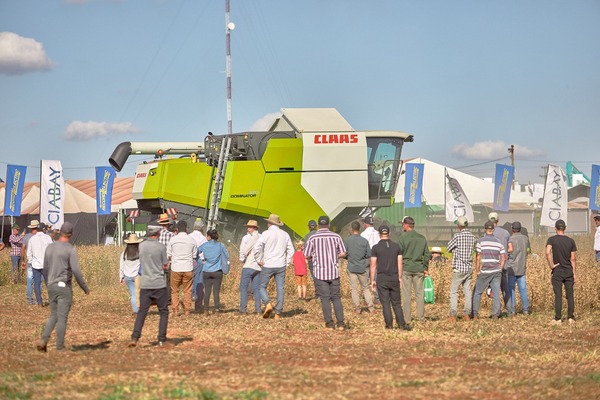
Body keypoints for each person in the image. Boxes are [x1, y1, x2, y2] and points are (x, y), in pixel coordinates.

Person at [36, 222, 90, 352]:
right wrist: (84, 287)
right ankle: (60, 347)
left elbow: (45, 268)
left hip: (51, 285)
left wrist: (49, 282)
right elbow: (76, 271)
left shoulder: (50, 247)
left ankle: (44, 340)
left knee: (53, 314)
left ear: (60, 232)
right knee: (62, 317)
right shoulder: (70, 249)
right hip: (64, 287)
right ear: (71, 234)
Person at [304, 216, 347, 330]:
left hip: (320, 273)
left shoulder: (312, 238)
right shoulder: (336, 236)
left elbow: (307, 255)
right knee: (336, 298)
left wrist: (314, 256)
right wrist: (335, 256)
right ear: (328, 225)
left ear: (318, 226)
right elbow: (343, 253)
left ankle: (329, 324)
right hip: (334, 272)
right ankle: (341, 323)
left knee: (325, 299)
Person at [129, 226, 170, 347]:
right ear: (158, 233)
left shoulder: (141, 246)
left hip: (146, 284)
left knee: (142, 312)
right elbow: (165, 265)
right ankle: (161, 339)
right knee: (163, 312)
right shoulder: (161, 247)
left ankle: (135, 337)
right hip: (159, 284)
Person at [370, 225, 411, 330]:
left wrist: (372, 280)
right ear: (389, 234)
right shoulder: (397, 247)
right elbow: (400, 263)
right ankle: (401, 324)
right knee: (397, 303)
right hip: (394, 277)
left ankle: (389, 325)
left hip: (382, 278)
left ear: (379, 234)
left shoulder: (375, 248)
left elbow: (373, 265)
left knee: (386, 303)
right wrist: (400, 277)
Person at [254, 214, 294, 319]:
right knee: (280, 288)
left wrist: (259, 260)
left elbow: (257, 247)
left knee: (261, 286)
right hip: (281, 265)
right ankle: (278, 313)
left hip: (268, 264)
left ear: (269, 223)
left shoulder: (266, 234)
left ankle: (267, 303)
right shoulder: (285, 234)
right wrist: (288, 262)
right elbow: (291, 249)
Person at [398, 216, 430, 323]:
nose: (402, 226)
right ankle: (421, 318)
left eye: (403, 224)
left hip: (406, 268)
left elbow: (399, 254)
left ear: (406, 225)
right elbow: (426, 254)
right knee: (419, 294)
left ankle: (407, 319)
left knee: (406, 295)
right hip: (419, 269)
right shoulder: (422, 238)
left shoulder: (403, 238)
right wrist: (425, 268)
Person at [472, 221, 506, 319]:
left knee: (478, 292)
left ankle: (475, 314)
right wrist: (500, 268)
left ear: (484, 229)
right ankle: (496, 314)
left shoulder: (481, 241)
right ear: (493, 230)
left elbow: (478, 257)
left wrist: (477, 270)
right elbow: (503, 257)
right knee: (496, 293)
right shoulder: (498, 242)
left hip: (485, 271)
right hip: (496, 271)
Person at [446, 216, 477, 322]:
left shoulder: (457, 236)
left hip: (459, 268)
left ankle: (453, 315)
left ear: (459, 226)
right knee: (467, 291)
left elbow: (448, 248)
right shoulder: (473, 237)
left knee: (454, 291)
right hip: (469, 268)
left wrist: (455, 249)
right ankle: (467, 314)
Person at [546, 219, 577, 324]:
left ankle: (558, 318)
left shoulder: (551, 240)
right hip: (568, 270)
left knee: (558, 295)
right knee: (570, 294)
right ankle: (571, 317)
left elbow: (547, 252)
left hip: (557, 270)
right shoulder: (571, 241)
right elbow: (573, 259)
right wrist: (574, 273)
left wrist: (551, 265)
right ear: (565, 229)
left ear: (555, 228)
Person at [167, 220, 197, 316]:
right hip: (188, 267)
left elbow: (169, 255)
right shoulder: (192, 240)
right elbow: (194, 255)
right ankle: (187, 310)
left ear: (177, 229)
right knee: (187, 290)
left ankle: (175, 310)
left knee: (174, 290)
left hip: (176, 267)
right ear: (186, 229)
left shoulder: (173, 240)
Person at [344, 221, 374, 314]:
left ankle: (357, 308)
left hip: (351, 267)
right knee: (365, 288)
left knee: (354, 289)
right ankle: (371, 308)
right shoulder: (364, 241)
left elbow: (344, 252)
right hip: (361, 268)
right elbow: (369, 254)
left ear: (351, 229)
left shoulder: (348, 240)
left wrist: (348, 257)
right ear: (360, 229)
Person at [199, 229, 229, 314]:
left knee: (207, 291)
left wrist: (202, 261)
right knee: (216, 291)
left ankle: (206, 309)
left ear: (209, 236)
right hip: (217, 271)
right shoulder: (220, 245)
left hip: (206, 270)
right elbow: (227, 255)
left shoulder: (204, 245)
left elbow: (196, 252)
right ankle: (216, 309)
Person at [506, 221, 530, 316]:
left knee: (511, 289)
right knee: (523, 289)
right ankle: (525, 309)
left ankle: (512, 310)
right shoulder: (525, 238)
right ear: (520, 229)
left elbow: (509, 252)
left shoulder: (510, 239)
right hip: (522, 267)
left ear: (512, 229)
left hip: (512, 267)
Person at [27, 220, 53, 307]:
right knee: (49, 283)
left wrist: (31, 262)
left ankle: (39, 302)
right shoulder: (47, 238)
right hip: (46, 264)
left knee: (37, 284)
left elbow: (29, 253)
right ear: (43, 229)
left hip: (35, 265)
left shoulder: (32, 239)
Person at [488, 212, 511, 312]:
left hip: (493, 265)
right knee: (505, 289)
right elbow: (510, 248)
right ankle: (510, 310)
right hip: (504, 264)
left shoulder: (488, 233)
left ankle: (497, 311)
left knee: (495, 289)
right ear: (498, 220)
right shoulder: (506, 233)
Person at [239, 220, 262, 315]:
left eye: (250, 227)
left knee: (243, 287)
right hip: (259, 266)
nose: (248, 228)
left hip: (249, 264)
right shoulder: (262, 237)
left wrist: (242, 259)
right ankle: (258, 309)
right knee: (256, 288)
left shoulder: (250, 238)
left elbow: (243, 251)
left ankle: (243, 309)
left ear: (254, 228)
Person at [120, 233, 143, 314]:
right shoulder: (140, 252)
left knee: (133, 293)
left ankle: (136, 310)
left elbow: (121, 266)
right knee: (138, 293)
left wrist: (121, 277)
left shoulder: (124, 253)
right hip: (137, 275)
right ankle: (138, 310)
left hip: (127, 276)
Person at [189, 218, 208, 305]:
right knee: (198, 279)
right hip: (198, 260)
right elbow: (204, 252)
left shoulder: (189, 236)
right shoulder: (203, 238)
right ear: (202, 228)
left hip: (188, 260)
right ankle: (195, 294)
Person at [157, 213, 174, 301]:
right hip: (168, 261)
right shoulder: (171, 235)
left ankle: (159, 297)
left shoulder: (157, 235)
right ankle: (168, 298)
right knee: (168, 281)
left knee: (159, 280)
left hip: (158, 260)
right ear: (168, 224)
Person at [21, 226, 35, 304]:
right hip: (38, 261)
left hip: (29, 260)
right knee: (38, 280)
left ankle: (29, 299)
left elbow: (23, 249)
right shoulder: (39, 236)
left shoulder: (26, 236)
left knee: (29, 280)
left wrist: (23, 260)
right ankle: (38, 298)